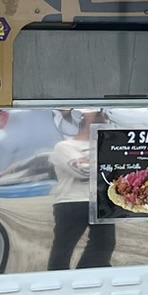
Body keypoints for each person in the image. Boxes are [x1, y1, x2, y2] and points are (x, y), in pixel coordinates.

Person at [46, 112, 116, 271]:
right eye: (99, 117)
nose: (105, 122)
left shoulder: (106, 147)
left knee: (105, 244)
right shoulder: (65, 147)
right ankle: (57, 278)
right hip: (71, 202)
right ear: (86, 121)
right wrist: (109, 164)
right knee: (64, 247)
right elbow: (82, 171)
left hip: (101, 202)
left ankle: (87, 274)